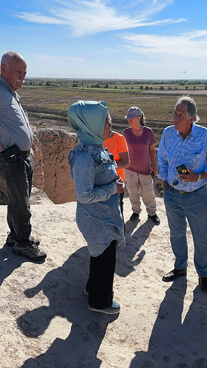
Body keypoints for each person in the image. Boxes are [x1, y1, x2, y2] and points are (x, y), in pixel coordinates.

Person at [157, 96, 207, 293]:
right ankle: (180, 268)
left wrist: (198, 176)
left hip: (196, 196)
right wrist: (165, 184)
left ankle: (203, 275)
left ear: (191, 118)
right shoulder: (168, 134)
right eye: (174, 114)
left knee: (200, 238)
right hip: (172, 195)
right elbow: (161, 160)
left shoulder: (204, 136)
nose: (175, 119)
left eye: (180, 115)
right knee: (176, 234)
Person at [66, 100, 124, 314]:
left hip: (103, 217)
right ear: (91, 125)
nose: (110, 125)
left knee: (101, 257)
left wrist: (113, 182)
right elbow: (84, 195)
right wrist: (113, 189)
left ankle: (92, 289)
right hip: (96, 219)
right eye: (106, 122)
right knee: (105, 260)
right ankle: (99, 302)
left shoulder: (95, 149)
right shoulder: (85, 156)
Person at [0, 51, 44, 262]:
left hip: (22, 156)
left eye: (24, 73)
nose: (22, 77)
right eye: (18, 71)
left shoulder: (9, 91)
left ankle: (15, 236)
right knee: (22, 203)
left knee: (17, 200)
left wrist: (28, 147)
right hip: (12, 157)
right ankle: (23, 244)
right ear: (3, 68)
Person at [122, 107, 159, 224]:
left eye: (131, 118)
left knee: (148, 193)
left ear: (139, 118)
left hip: (145, 169)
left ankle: (152, 213)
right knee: (132, 193)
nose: (129, 120)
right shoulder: (126, 133)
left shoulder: (148, 132)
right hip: (129, 169)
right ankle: (136, 211)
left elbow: (152, 150)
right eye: (128, 118)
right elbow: (123, 150)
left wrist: (155, 166)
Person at [102, 117, 129, 210]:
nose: (109, 125)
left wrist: (106, 166)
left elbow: (125, 162)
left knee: (117, 208)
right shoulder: (95, 140)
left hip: (116, 181)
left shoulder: (119, 139)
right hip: (100, 182)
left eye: (108, 121)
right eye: (105, 122)